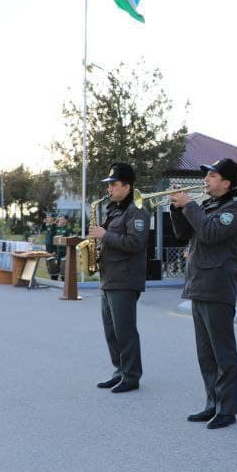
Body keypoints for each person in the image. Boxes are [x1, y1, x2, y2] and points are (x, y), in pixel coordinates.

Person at [171, 158, 237, 430]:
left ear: (226, 183)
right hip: (200, 285)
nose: (205, 180)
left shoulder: (235, 210)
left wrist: (189, 205)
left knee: (223, 353)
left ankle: (227, 409)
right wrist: (176, 207)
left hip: (217, 287)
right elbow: (183, 233)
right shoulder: (207, 206)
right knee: (205, 353)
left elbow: (209, 233)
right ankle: (212, 403)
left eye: (212, 176)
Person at [87, 163, 151, 394]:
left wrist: (105, 235)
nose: (109, 189)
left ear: (127, 185)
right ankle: (120, 370)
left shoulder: (137, 210)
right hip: (109, 277)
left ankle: (132, 375)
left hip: (125, 278)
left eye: (113, 184)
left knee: (125, 330)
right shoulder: (114, 209)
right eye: (109, 185)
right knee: (111, 330)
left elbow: (136, 243)